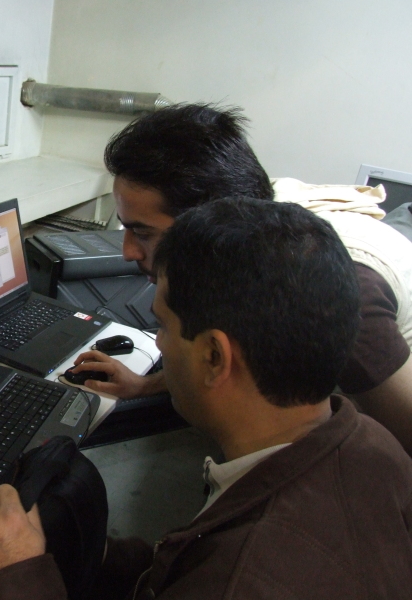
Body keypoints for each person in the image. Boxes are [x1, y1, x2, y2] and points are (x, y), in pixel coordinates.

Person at [0, 198, 412, 599]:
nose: (159, 344)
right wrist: (94, 555)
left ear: (214, 357)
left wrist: (10, 579)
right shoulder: (373, 445)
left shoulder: (242, 579)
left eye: (163, 326)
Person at [70, 103, 412, 456]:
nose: (128, 252)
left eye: (143, 233)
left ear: (205, 224)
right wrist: (146, 385)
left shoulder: (327, 292)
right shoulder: (246, 227)